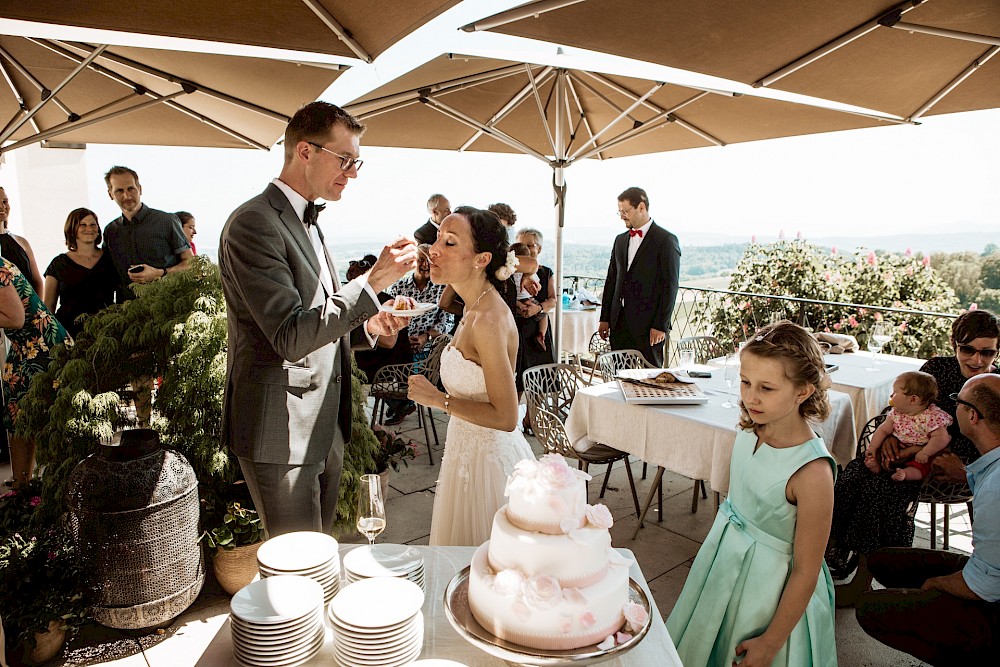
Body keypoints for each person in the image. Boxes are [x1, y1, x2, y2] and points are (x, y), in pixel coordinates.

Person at [218, 101, 414, 539]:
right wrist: (372, 282)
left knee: (320, 556)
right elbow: (289, 335)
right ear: (305, 151)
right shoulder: (253, 223)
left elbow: (317, 320)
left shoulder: (309, 221)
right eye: (345, 160)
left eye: (356, 161)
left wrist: (368, 327)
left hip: (325, 425)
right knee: (296, 570)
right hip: (280, 431)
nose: (353, 172)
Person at [667, 320, 836, 666]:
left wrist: (770, 643)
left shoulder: (812, 472)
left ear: (803, 391)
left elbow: (807, 570)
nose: (750, 397)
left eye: (767, 388)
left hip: (769, 592)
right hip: (725, 562)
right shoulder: (750, 430)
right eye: (745, 382)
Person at [829, 310, 1000, 605]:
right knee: (856, 473)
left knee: (881, 486)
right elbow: (902, 404)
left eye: (987, 352)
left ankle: (869, 577)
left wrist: (965, 469)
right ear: (954, 344)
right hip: (914, 452)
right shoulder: (937, 369)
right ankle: (839, 553)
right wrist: (891, 439)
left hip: (962, 469)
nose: (977, 360)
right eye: (967, 349)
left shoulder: (995, 385)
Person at [407, 206, 534, 547]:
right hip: (464, 458)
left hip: (489, 470)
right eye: (436, 240)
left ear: (481, 260)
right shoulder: (472, 306)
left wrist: (437, 399)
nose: (433, 249)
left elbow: (508, 417)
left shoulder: (488, 320)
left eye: (449, 243)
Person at [855, 373, 1000, 664]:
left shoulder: (996, 489)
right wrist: (965, 475)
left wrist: (937, 584)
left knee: (873, 609)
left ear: (971, 415)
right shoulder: (992, 466)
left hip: (993, 598)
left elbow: (986, 585)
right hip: (989, 573)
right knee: (885, 560)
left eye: (956, 402)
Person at [2, 259, 72, 489]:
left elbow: (15, 317)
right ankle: (21, 485)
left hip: (45, 347)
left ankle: (60, 488)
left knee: (48, 421)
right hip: (24, 347)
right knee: (17, 416)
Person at [598, 186, 681, 367]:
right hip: (619, 323)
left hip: (649, 326)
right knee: (620, 378)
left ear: (641, 207)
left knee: (650, 379)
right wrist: (604, 318)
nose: (621, 216)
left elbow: (670, 286)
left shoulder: (666, 240)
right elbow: (611, 280)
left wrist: (661, 325)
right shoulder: (620, 240)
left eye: (625, 211)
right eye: (619, 212)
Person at [383, 243, 451, 425]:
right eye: (422, 260)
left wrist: (425, 337)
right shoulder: (399, 287)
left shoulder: (441, 289)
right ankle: (400, 401)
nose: (426, 265)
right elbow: (388, 316)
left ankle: (401, 401)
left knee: (381, 365)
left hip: (427, 349)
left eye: (430, 260)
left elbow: (447, 321)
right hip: (398, 343)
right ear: (413, 262)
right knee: (378, 354)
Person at [103, 166, 193, 301]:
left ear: (140, 189)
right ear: (110, 194)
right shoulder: (110, 231)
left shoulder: (166, 221)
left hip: (168, 309)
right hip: (127, 314)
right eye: (119, 191)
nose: (126, 195)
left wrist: (161, 273)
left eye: (131, 188)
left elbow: (191, 263)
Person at [43, 208, 119, 338]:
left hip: (106, 332)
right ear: (72, 229)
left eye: (93, 224)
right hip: (69, 334)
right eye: (82, 225)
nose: (89, 228)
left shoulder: (111, 258)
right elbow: (48, 306)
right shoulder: (58, 263)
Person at [864, 371, 952, 482]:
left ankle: (906, 474)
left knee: (923, 466)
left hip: (922, 451)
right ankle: (876, 467)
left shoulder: (932, 417)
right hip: (899, 447)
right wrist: (873, 447)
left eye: (895, 393)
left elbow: (942, 438)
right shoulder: (896, 413)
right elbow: (883, 430)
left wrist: (925, 452)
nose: (891, 396)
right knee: (881, 452)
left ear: (913, 399)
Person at [349, 255, 414, 388]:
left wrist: (366, 328)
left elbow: (389, 342)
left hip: (387, 371)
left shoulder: (383, 300)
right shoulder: (360, 300)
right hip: (390, 366)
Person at [512, 228, 556, 401]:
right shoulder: (509, 272)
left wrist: (537, 309)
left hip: (537, 329)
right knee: (516, 381)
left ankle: (532, 420)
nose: (528, 250)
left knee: (539, 381)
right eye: (523, 245)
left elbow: (552, 300)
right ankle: (511, 422)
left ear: (540, 249)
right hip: (515, 328)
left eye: (531, 245)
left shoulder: (545, 273)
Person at [0, 187, 44, 297]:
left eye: (5, 202)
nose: (2, 206)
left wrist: (39, 310)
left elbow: (37, 281)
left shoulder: (21, 242)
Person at [509, 241, 548, 350]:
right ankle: (541, 334)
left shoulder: (510, 271)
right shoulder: (531, 272)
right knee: (544, 316)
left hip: (515, 300)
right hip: (529, 299)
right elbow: (538, 287)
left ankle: (521, 307)